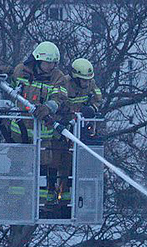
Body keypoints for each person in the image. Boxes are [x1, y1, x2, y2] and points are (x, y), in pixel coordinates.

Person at [8, 41, 68, 210]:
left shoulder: (58, 77)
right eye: (48, 62)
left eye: (54, 63)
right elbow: (11, 87)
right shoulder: (22, 71)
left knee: (43, 167)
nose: (51, 66)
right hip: (19, 131)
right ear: (38, 60)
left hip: (43, 134)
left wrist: (48, 107)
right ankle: (16, 203)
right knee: (18, 166)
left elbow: (60, 98)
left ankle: (39, 205)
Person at [53, 58, 104, 202]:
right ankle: (54, 192)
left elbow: (98, 99)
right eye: (83, 80)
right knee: (57, 161)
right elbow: (58, 100)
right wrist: (70, 112)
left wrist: (91, 109)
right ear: (75, 78)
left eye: (88, 80)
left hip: (79, 128)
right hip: (62, 126)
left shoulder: (91, 83)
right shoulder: (64, 82)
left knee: (74, 163)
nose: (86, 83)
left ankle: (67, 197)